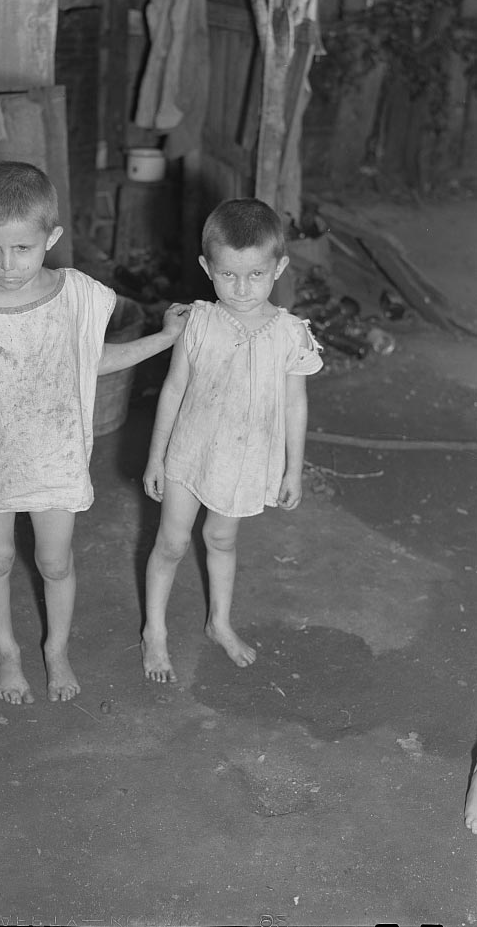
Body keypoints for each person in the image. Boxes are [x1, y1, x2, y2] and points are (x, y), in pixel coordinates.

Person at [0, 161, 189, 705]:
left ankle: (56, 648)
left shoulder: (77, 295)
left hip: (54, 458)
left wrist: (163, 340)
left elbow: (92, 362)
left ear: (52, 237)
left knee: (55, 562)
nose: (7, 263)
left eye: (22, 248)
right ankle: (7, 653)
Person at [141, 198, 323, 683]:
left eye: (256, 275)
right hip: (190, 451)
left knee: (221, 539)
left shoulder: (290, 335)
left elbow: (295, 404)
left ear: (279, 268)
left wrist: (293, 468)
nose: (241, 289)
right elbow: (174, 388)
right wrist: (156, 457)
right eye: (227, 275)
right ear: (207, 268)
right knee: (172, 543)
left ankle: (218, 621)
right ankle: (154, 631)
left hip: (244, 459)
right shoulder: (196, 323)